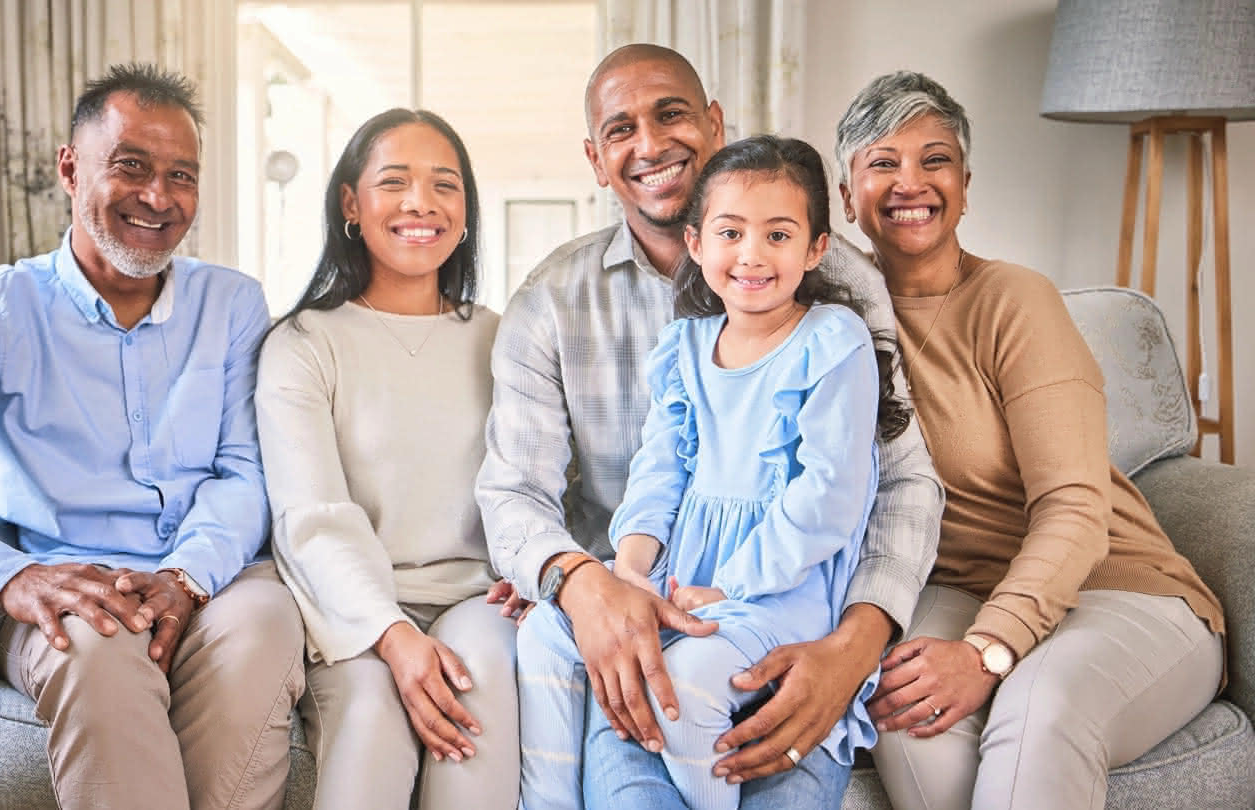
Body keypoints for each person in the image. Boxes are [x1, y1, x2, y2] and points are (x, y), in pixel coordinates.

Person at [0, 64, 305, 809]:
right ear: (70, 170)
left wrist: (186, 577)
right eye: (132, 166)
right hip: (71, 589)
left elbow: (244, 471)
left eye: (183, 175)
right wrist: (1, 573)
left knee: (267, 621)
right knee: (95, 645)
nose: (158, 197)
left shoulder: (232, 303)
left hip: (212, 582)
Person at [477, 43, 944, 809]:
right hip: (645, 608)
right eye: (621, 129)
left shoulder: (837, 298)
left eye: (670, 114)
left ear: (714, 124)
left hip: (786, 614)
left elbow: (900, 482)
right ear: (597, 160)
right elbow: (516, 496)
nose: (652, 144)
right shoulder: (555, 304)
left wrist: (853, 646)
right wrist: (583, 580)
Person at [833, 71, 1226, 810]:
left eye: (935, 159)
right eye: (882, 162)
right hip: (954, 588)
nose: (910, 181)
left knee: (1040, 708)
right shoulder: (828, 321)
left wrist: (986, 651)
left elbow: (1077, 509)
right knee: (905, 710)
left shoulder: (1014, 301)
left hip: (1115, 588)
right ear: (847, 194)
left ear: (966, 184)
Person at [257, 108, 519, 810]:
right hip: (353, 609)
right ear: (351, 202)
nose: (420, 204)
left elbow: (536, 478)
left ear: (465, 211)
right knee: (372, 716)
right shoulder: (304, 342)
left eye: (444, 185)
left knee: (478, 687)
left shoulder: (503, 338)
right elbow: (312, 517)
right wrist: (393, 635)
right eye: (394, 181)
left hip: (479, 597)